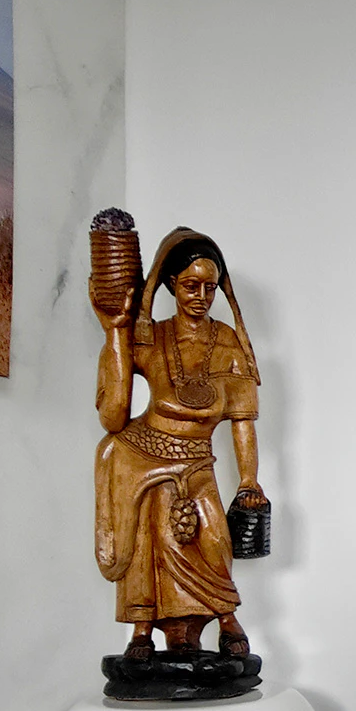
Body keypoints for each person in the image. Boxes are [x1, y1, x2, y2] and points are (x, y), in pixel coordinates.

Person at [93, 228, 265, 659]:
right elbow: (113, 417)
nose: (201, 296)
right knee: (149, 539)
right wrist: (115, 331)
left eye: (210, 287)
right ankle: (142, 628)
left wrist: (248, 480)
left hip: (197, 459)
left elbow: (242, 422)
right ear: (171, 284)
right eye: (191, 285)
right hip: (143, 454)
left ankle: (226, 617)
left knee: (214, 539)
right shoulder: (150, 335)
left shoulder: (227, 342)